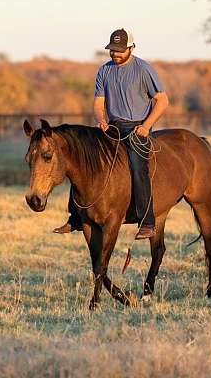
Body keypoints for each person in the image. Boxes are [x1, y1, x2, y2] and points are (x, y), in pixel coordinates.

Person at [53, 28, 169, 240]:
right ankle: (76, 217)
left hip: (137, 127)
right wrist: (101, 120)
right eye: (112, 50)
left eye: (119, 50)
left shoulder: (144, 69)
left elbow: (162, 101)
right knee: (82, 159)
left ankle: (147, 222)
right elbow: (99, 102)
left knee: (137, 166)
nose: (115, 54)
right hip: (112, 127)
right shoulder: (104, 71)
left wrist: (146, 126)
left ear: (131, 48)